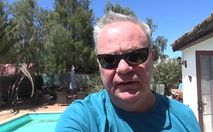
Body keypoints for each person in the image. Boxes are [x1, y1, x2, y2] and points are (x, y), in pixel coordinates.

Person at [55, 11, 201, 132]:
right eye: (108, 59)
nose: (123, 69)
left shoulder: (184, 117)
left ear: (152, 58)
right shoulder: (82, 119)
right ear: (99, 65)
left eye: (136, 56)